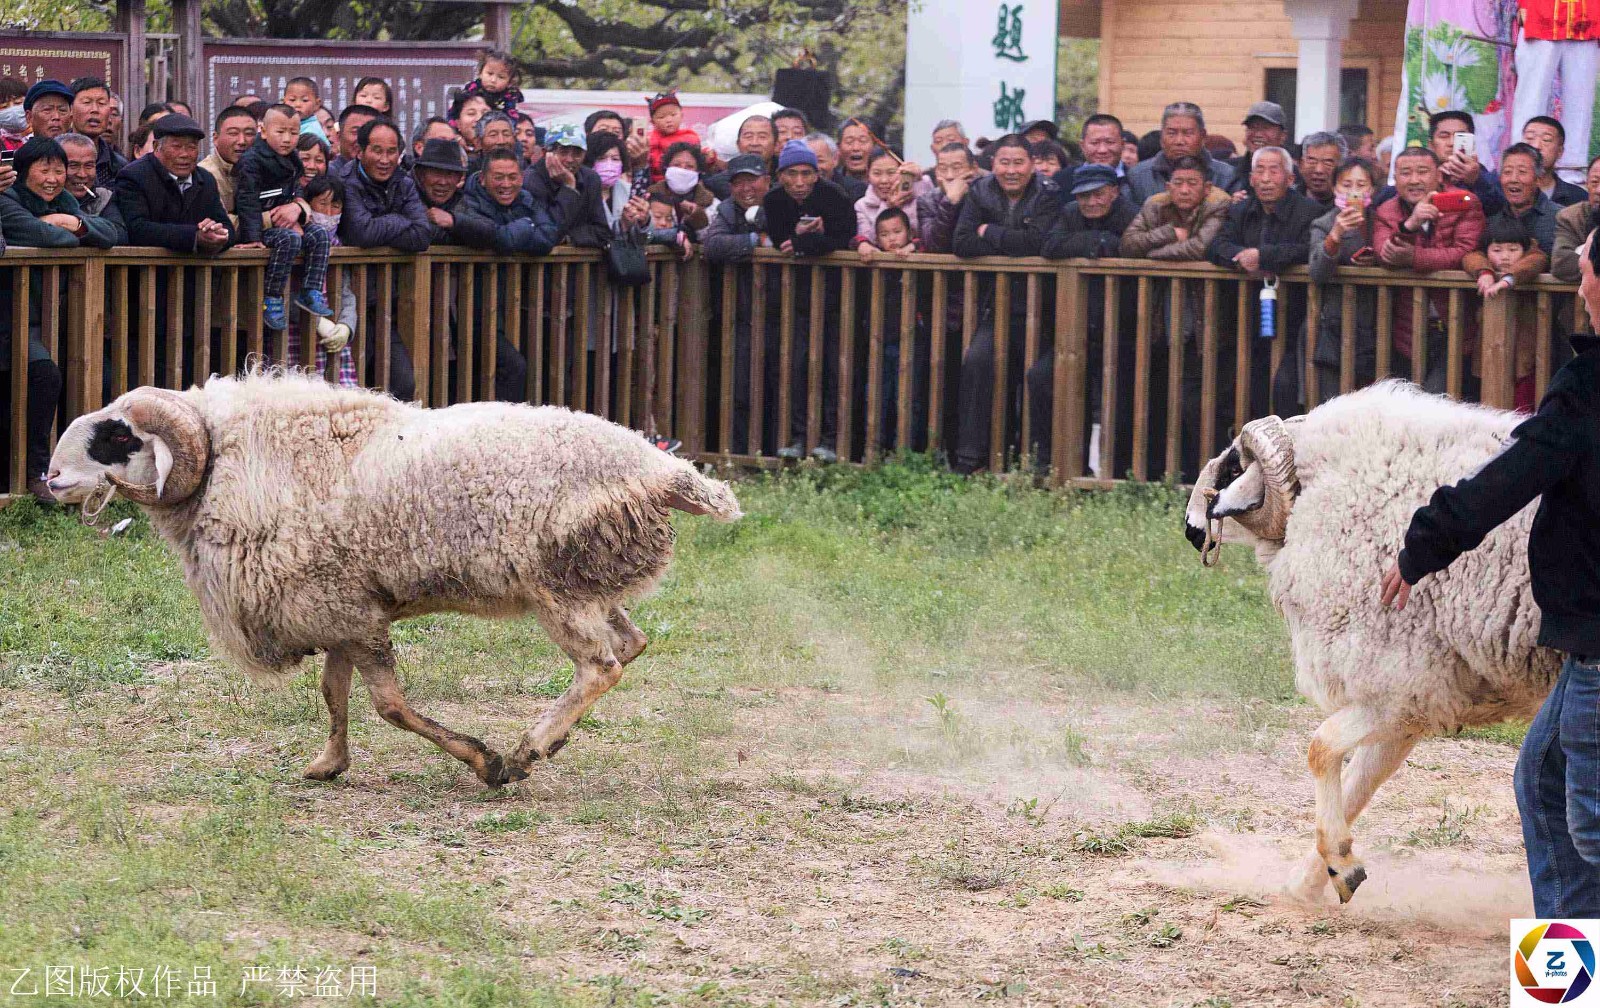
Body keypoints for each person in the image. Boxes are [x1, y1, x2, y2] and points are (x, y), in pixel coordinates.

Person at [1379, 227, 1600, 920]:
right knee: (1543, 781)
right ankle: (1565, 990)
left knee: (1592, 828)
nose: (1578, 274)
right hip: (1589, 644)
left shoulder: (1590, 387)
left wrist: (1426, 541)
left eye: (1585, 262)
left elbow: (1516, 472)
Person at [951, 133, 1061, 474]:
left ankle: (1038, 463)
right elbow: (962, 242)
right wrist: (1002, 240)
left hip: (1046, 309)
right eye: (1004, 162)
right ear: (992, 164)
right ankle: (970, 460)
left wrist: (989, 232)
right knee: (977, 363)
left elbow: (1039, 242)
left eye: (1018, 162)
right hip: (996, 306)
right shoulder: (980, 191)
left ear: (1032, 165)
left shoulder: (1049, 193)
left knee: (1039, 378)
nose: (1010, 170)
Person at [1121, 154, 1234, 477]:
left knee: (1197, 403)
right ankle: (1159, 473)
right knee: (1159, 398)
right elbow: (1128, 245)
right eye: (1178, 183)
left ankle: (1202, 474)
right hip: (1162, 315)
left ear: (1207, 186)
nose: (1184, 190)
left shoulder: (1219, 205)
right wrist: (1169, 233)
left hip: (1204, 316)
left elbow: (1199, 247)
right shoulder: (1155, 206)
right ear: (1168, 186)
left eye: (1192, 183)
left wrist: (1153, 255)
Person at [1207, 145, 1321, 416]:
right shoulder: (1241, 209)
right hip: (1246, 314)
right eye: (1260, 170)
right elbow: (1215, 245)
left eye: (1274, 170)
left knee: (1285, 388)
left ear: (1291, 179)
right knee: (1244, 389)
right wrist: (1239, 257)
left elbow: (1308, 248)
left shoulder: (1310, 211)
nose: (1267, 178)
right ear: (1251, 178)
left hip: (1297, 313)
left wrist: (1265, 256)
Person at [761, 138, 855, 460]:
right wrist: (809, 239)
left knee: (832, 366)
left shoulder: (835, 195)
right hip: (792, 297)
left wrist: (805, 243)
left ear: (817, 174)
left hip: (834, 296)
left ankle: (830, 438)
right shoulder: (773, 200)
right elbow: (779, 240)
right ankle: (798, 436)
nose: (799, 182)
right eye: (792, 174)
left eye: (806, 173)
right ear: (780, 175)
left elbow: (843, 237)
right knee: (796, 365)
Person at [1372, 145, 1486, 392]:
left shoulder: (1464, 202)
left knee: (1440, 399)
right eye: (1405, 173)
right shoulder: (1386, 210)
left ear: (1438, 175)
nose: (1414, 180)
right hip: (1405, 327)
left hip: (1456, 323)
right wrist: (1410, 224)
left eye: (1422, 172)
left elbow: (1465, 252)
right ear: (1395, 177)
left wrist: (1414, 257)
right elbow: (1385, 254)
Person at [454, 146, 564, 402]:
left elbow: (548, 236)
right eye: (498, 177)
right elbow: (496, 237)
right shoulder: (469, 202)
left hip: (515, 304)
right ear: (482, 178)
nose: (506, 184)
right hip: (475, 310)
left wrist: (512, 232)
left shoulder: (526, 199)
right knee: (512, 368)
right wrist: (525, 226)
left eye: (512, 177)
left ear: (521, 177)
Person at [338, 117, 428, 400]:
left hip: (382, 302)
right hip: (343, 302)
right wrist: (400, 220)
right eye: (377, 150)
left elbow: (422, 236)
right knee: (349, 388)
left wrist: (383, 225)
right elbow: (360, 232)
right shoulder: (345, 181)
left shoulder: (404, 181)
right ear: (359, 151)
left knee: (402, 383)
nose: (385, 159)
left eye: (392, 152)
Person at [235, 104, 333, 330]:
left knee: (319, 234)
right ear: (264, 131)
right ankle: (272, 297)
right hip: (263, 224)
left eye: (294, 133)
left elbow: (295, 188)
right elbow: (247, 199)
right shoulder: (252, 160)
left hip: (288, 218)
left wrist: (299, 209)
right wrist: (252, 237)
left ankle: (311, 290)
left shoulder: (293, 158)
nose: (287, 139)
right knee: (290, 240)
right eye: (280, 132)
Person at [700, 153, 771, 454]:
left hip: (783, 312)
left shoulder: (778, 204)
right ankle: (740, 454)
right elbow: (714, 244)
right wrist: (757, 241)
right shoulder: (728, 210)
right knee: (740, 384)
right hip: (740, 312)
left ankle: (776, 452)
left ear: (767, 181)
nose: (746, 189)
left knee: (781, 381)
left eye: (751, 180)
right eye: (738, 182)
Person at [1308, 157, 1381, 402]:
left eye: (1361, 184)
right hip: (1337, 324)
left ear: (1371, 189)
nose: (1354, 191)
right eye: (1346, 184)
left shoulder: (1380, 220)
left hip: (1377, 322)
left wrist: (1376, 260)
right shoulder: (1325, 222)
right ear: (1334, 189)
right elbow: (1317, 272)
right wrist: (1336, 236)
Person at [113, 113, 233, 254]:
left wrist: (217, 234)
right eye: (176, 147)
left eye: (191, 147)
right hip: (148, 272)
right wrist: (194, 236)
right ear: (157, 146)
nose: (185, 154)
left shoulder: (205, 179)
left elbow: (227, 227)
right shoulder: (133, 176)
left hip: (197, 273)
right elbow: (136, 228)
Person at [285, 173, 359, 389]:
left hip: (332, 334)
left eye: (335, 205)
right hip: (294, 334)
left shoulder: (340, 245)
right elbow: (282, 291)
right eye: (322, 204)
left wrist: (346, 326)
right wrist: (316, 321)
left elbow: (347, 292)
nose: (328, 213)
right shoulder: (296, 240)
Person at [1468, 216, 1548, 411]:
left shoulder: (1532, 260)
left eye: (1513, 250)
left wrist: (1507, 280)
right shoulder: (1482, 261)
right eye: (1497, 250)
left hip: (1524, 361)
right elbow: (1470, 257)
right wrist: (1485, 273)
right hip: (1487, 358)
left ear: (1524, 249)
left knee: (1522, 411)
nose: (1505, 256)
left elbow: (1537, 259)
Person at [1128, 101, 1236, 206]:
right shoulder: (1138, 176)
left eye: (1188, 133)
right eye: (1171, 133)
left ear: (1203, 136)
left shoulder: (1227, 176)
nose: (1179, 141)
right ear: (1161, 137)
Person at [56, 131, 126, 244]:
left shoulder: (104, 196)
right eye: (73, 166)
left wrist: (74, 224)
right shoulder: (45, 197)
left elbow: (119, 235)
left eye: (89, 166)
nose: (82, 174)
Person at [853, 147, 925, 249]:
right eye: (877, 173)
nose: (884, 180)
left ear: (903, 172)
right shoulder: (861, 206)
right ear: (868, 174)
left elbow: (924, 235)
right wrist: (888, 206)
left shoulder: (916, 197)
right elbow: (869, 241)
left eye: (891, 173)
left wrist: (919, 178)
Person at [916, 141, 982, 253]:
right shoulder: (927, 201)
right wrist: (949, 202)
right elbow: (933, 245)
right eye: (943, 169)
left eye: (956, 168)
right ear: (936, 171)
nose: (949, 176)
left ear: (974, 169)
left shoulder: (985, 194)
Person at [199, 105, 258, 229]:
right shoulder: (205, 173)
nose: (242, 141)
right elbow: (219, 223)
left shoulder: (264, 166)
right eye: (233, 133)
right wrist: (272, 219)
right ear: (215, 138)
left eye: (249, 134)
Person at [647, 141, 714, 237]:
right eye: (677, 165)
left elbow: (710, 240)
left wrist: (699, 219)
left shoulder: (710, 203)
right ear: (666, 168)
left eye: (689, 166)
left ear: (698, 172)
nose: (682, 170)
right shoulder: (650, 196)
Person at [1519, 115, 1588, 207]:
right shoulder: (1500, 193)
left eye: (1546, 140)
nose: (1536, 146)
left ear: (1560, 151)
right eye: (1530, 138)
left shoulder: (1578, 199)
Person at [68, 77, 124, 186]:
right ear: (70, 109)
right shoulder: (55, 155)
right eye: (87, 102)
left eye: (101, 103)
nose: (95, 110)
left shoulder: (119, 165)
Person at [704, 114, 776, 198]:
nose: (754, 143)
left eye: (762, 137)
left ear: (776, 144)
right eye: (748, 136)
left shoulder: (787, 178)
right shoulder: (716, 185)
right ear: (738, 144)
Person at [1553, 155, 1600, 280]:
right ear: (1586, 184)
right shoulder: (1570, 217)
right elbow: (1561, 263)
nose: (1598, 190)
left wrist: (1584, 254)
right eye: (1595, 182)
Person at [1229, 101, 1289, 190]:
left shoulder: (1294, 175)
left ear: (1283, 136)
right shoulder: (1228, 172)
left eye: (1265, 128)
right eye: (1252, 127)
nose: (1258, 134)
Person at [3, 80, 75, 154]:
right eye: (47, 110)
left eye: (62, 110)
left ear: (71, 117)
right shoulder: (21, 158)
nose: (56, 116)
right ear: (29, 117)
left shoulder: (81, 155)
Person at [645, 89, 699, 185]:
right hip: (658, 185)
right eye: (662, 117)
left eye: (673, 115)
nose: (669, 120)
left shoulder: (690, 137)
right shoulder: (649, 140)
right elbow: (656, 165)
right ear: (652, 122)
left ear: (682, 115)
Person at [804, 131, 864, 202]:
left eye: (820, 161)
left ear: (835, 159)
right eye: (808, 162)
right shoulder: (794, 191)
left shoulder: (853, 190)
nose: (815, 167)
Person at [459, 51, 522, 116]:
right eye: (490, 74)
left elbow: (512, 117)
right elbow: (456, 111)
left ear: (510, 82)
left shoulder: (511, 95)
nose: (493, 80)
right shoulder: (471, 89)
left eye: (501, 77)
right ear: (480, 73)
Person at [1296, 131, 1347, 210]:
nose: (1319, 170)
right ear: (1301, 164)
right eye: (1312, 161)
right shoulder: (1286, 200)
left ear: (1342, 167)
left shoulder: (1349, 205)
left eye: (1328, 162)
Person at [332, 104, 381, 172]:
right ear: (339, 137)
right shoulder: (328, 174)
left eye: (370, 132)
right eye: (356, 132)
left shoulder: (387, 175)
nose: (362, 139)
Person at [836, 117, 876, 191]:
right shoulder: (832, 186)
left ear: (876, 146)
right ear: (838, 147)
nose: (856, 148)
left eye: (863, 141)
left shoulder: (887, 185)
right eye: (849, 142)